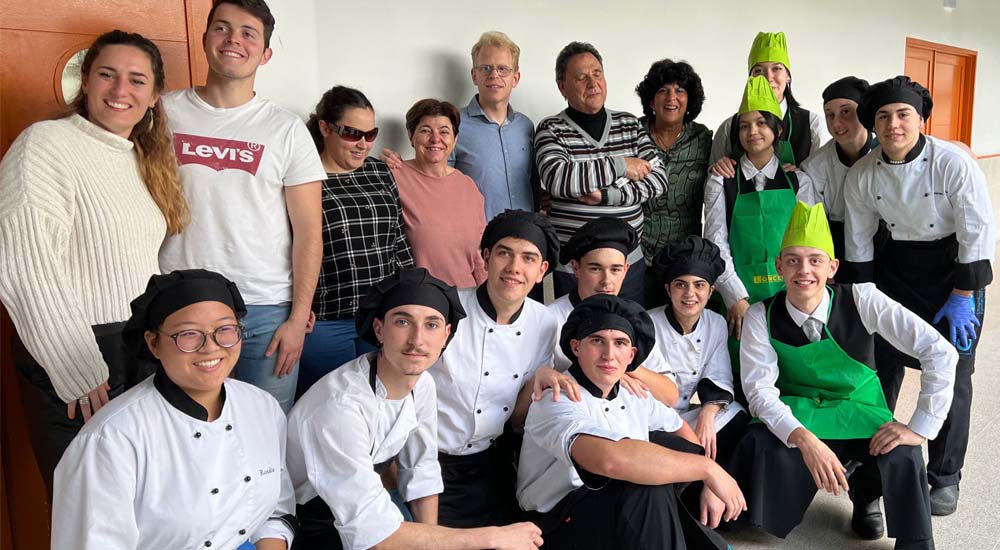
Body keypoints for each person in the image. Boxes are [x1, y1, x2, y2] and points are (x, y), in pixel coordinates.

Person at [0, 29, 188, 495]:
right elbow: (22, 265)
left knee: (147, 507)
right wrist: (76, 367)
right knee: (91, 513)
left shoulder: (142, 159)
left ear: (154, 95)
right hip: (78, 352)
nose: (121, 90)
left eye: (137, 80)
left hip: (139, 350)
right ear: (86, 82)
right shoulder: (46, 144)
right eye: (107, 75)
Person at [733, 201, 956, 549]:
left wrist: (919, 427)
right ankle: (761, 511)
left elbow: (940, 350)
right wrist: (805, 440)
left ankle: (869, 500)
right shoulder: (761, 315)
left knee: (902, 453)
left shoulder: (862, 298)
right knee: (759, 440)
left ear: (833, 266)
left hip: (858, 409)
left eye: (815, 260)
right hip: (801, 410)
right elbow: (759, 392)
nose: (803, 270)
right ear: (778, 266)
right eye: (792, 260)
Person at [287, 268, 543, 550]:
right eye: (402, 322)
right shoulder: (340, 407)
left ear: (446, 335)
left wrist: (430, 539)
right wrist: (493, 536)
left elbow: (421, 471)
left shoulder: (423, 385)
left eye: (431, 325)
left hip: (360, 507)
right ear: (379, 329)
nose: (417, 340)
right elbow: (373, 534)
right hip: (309, 520)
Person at [159, 0, 326, 413]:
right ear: (205, 40)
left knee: (265, 430)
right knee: (183, 430)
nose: (234, 39)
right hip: (181, 301)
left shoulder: (286, 128)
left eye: (249, 33)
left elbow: (309, 232)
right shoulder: (160, 112)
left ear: (265, 53)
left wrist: (297, 318)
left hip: (265, 309)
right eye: (222, 28)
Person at [52, 269, 296, 550]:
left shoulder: (261, 407)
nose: (211, 347)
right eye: (189, 334)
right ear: (153, 343)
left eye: (225, 330)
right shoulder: (110, 440)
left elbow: (275, 511)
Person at [842, 75, 995, 515]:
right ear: (873, 124)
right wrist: (862, 300)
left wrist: (965, 293)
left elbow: (977, 232)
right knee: (880, 369)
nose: (894, 125)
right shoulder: (863, 174)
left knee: (956, 371)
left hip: (952, 274)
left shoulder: (954, 163)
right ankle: (870, 477)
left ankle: (944, 476)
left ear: (921, 118)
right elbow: (859, 241)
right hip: (896, 271)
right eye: (884, 117)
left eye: (903, 114)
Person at [517, 294, 745, 549]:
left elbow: (679, 427)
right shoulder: (556, 397)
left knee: (664, 464)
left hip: (612, 509)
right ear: (576, 347)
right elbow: (610, 459)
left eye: (620, 343)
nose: (609, 355)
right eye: (597, 341)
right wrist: (709, 469)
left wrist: (708, 485)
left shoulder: (632, 393)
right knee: (646, 485)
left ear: (631, 355)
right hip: (555, 522)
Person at [432, 210, 574, 528]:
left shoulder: (545, 322)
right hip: (428, 462)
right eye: (504, 253)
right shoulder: (445, 308)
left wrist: (541, 378)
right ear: (486, 256)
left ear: (542, 271)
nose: (514, 268)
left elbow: (519, 417)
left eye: (528, 258)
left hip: (492, 464)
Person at [297, 86, 414, 397]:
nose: (363, 143)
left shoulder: (380, 171)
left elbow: (398, 240)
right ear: (324, 127)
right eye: (352, 133)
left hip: (380, 317)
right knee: (327, 404)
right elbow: (290, 247)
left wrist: (410, 294)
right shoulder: (303, 177)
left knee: (378, 402)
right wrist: (297, 307)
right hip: (325, 318)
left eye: (370, 134)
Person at [535, 41, 669, 305]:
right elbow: (558, 178)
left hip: (627, 266)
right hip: (574, 269)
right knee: (578, 338)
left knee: (627, 337)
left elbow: (658, 178)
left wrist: (607, 196)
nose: (592, 82)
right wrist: (622, 166)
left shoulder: (629, 124)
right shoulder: (551, 128)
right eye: (581, 77)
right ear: (562, 86)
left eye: (597, 73)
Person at [703, 75, 815, 345]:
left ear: (777, 131)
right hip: (739, 296)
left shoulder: (798, 181)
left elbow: (809, 244)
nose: (752, 131)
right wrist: (736, 297)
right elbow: (716, 241)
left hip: (790, 295)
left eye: (761, 123)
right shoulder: (722, 180)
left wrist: (801, 294)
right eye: (744, 126)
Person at [382, 31, 536, 220]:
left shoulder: (526, 126)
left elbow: (534, 184)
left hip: (526, 236)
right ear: (474, 75)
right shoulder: (452, 126)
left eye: (503, 69)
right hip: (478, 239)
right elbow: (433, 181)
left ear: (516, 78)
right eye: (486, 68)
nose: (494, 75)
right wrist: (398, 167)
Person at [548, 217, 680, 407]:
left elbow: (670, 396)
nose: (606, 281)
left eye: (615, 270)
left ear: (626, 270)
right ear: (576, 268)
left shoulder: (633, 318)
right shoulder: (549, 319)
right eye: (595, 268)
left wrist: (623, 367)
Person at [649, 236, 748, 464]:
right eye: (680, 284)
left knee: (736, 415)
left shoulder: (716, 323)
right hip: (653, 421)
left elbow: (718, 374)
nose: (689, 293)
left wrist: (707, 412)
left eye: (699, 285)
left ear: (711, 290)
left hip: (688, 414)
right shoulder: (647, 324)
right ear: (668, 288)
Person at [633, 59, 713, 307]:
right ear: (651, 100)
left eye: (680, 90)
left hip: (685, 260)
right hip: (636, 256)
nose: (671, 97)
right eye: (662, 90)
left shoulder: (704, 139)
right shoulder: (631, 134)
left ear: (690, 100)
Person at [392, 98, 487, 288]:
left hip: (466, 295)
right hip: (419, 298)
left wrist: (484, 292)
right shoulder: (394, 177)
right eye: (425, 130)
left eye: (444, 132)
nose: (436, 139)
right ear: (411, 136)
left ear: (455, 139)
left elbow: (479, 250)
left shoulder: (467, 185)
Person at [709, 31, 829, 170]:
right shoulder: (729, 128)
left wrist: (801, 179)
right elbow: (711, 180)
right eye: (758, 71)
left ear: (788, 76)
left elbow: (823, 182)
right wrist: (717, 169)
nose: (768, 77)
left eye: (776, 69)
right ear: (750, 78)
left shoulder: (813, 126)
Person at [799, 76, 877, 258]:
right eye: (830, 115)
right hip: (834, 244)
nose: (836, 123)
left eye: (846, 112)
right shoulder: (814, 166)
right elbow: (815, 224)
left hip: (883, 242)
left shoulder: (885, 154)